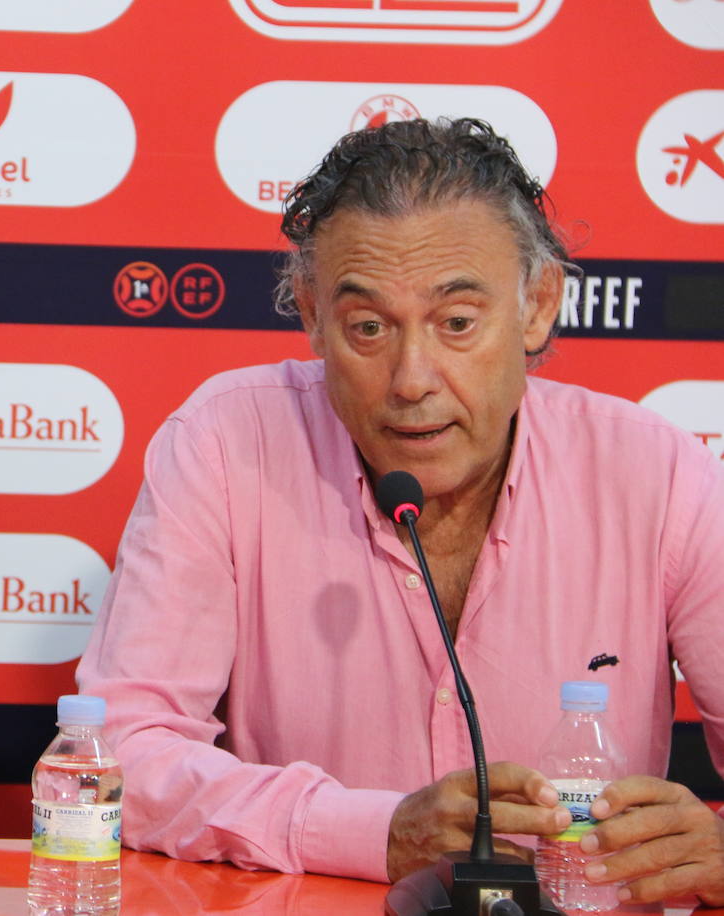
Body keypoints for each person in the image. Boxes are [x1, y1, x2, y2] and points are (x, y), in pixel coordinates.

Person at [76, 118, 724, 906]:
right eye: (369, 328)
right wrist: (369, 831)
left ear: (538, 306)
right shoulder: (226, 444)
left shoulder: (657, 476)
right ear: (313, 316)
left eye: (456, 323)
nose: (412, 378)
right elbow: (117, 754)